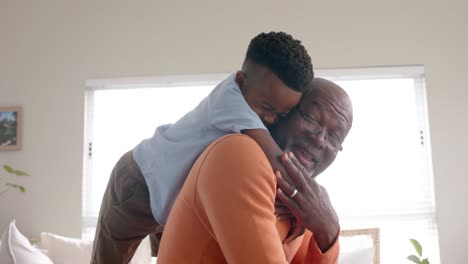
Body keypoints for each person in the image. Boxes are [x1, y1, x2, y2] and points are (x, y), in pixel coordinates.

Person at [91, 31, 314, 263]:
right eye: (266, 108)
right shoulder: (230, 101)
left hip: (173, 195)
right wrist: (309, 208)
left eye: (281, 115)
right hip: (139, 183)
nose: (269, 120)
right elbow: (278, 161)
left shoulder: (254, 101)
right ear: (240, 80)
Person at [157, 78, 353, 263]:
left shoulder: (303, 202)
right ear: (283, 113)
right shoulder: (238, 154)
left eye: (334, 137)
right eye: (311, 118)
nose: (319, 139)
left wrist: (328, 231)